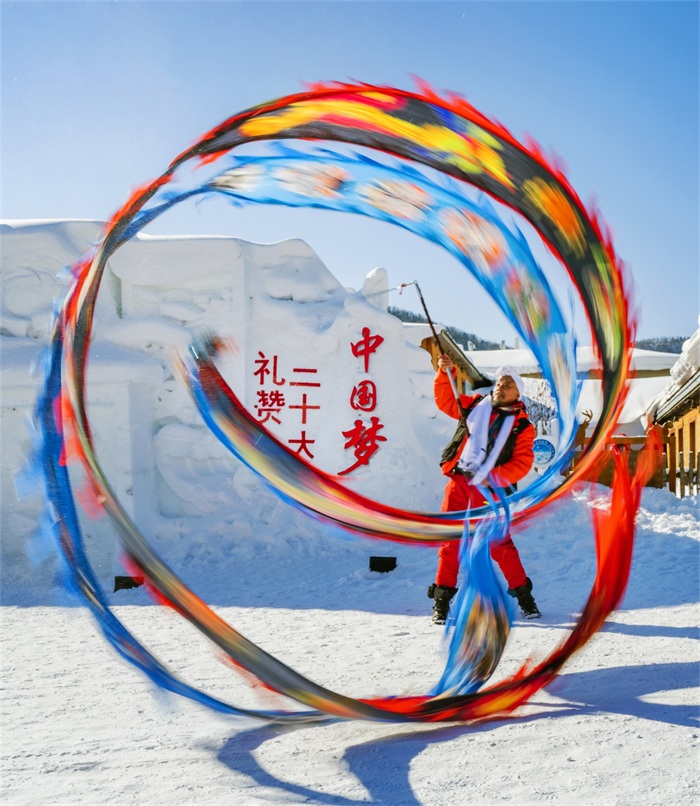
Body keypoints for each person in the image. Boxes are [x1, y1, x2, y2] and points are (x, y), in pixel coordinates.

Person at [428, 354, 541, 623]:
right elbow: (446, 401)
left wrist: (496, 477)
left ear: (517, 395)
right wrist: (445, 374)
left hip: (489, 491)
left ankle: (524, 596)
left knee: (500, 545)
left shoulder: (522, 426)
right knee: (451, 542)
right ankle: (442, 601)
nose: (502, 387)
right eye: (500, 382)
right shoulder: (475, 405)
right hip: (459, 482)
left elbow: (523, 463)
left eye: (509, 385)